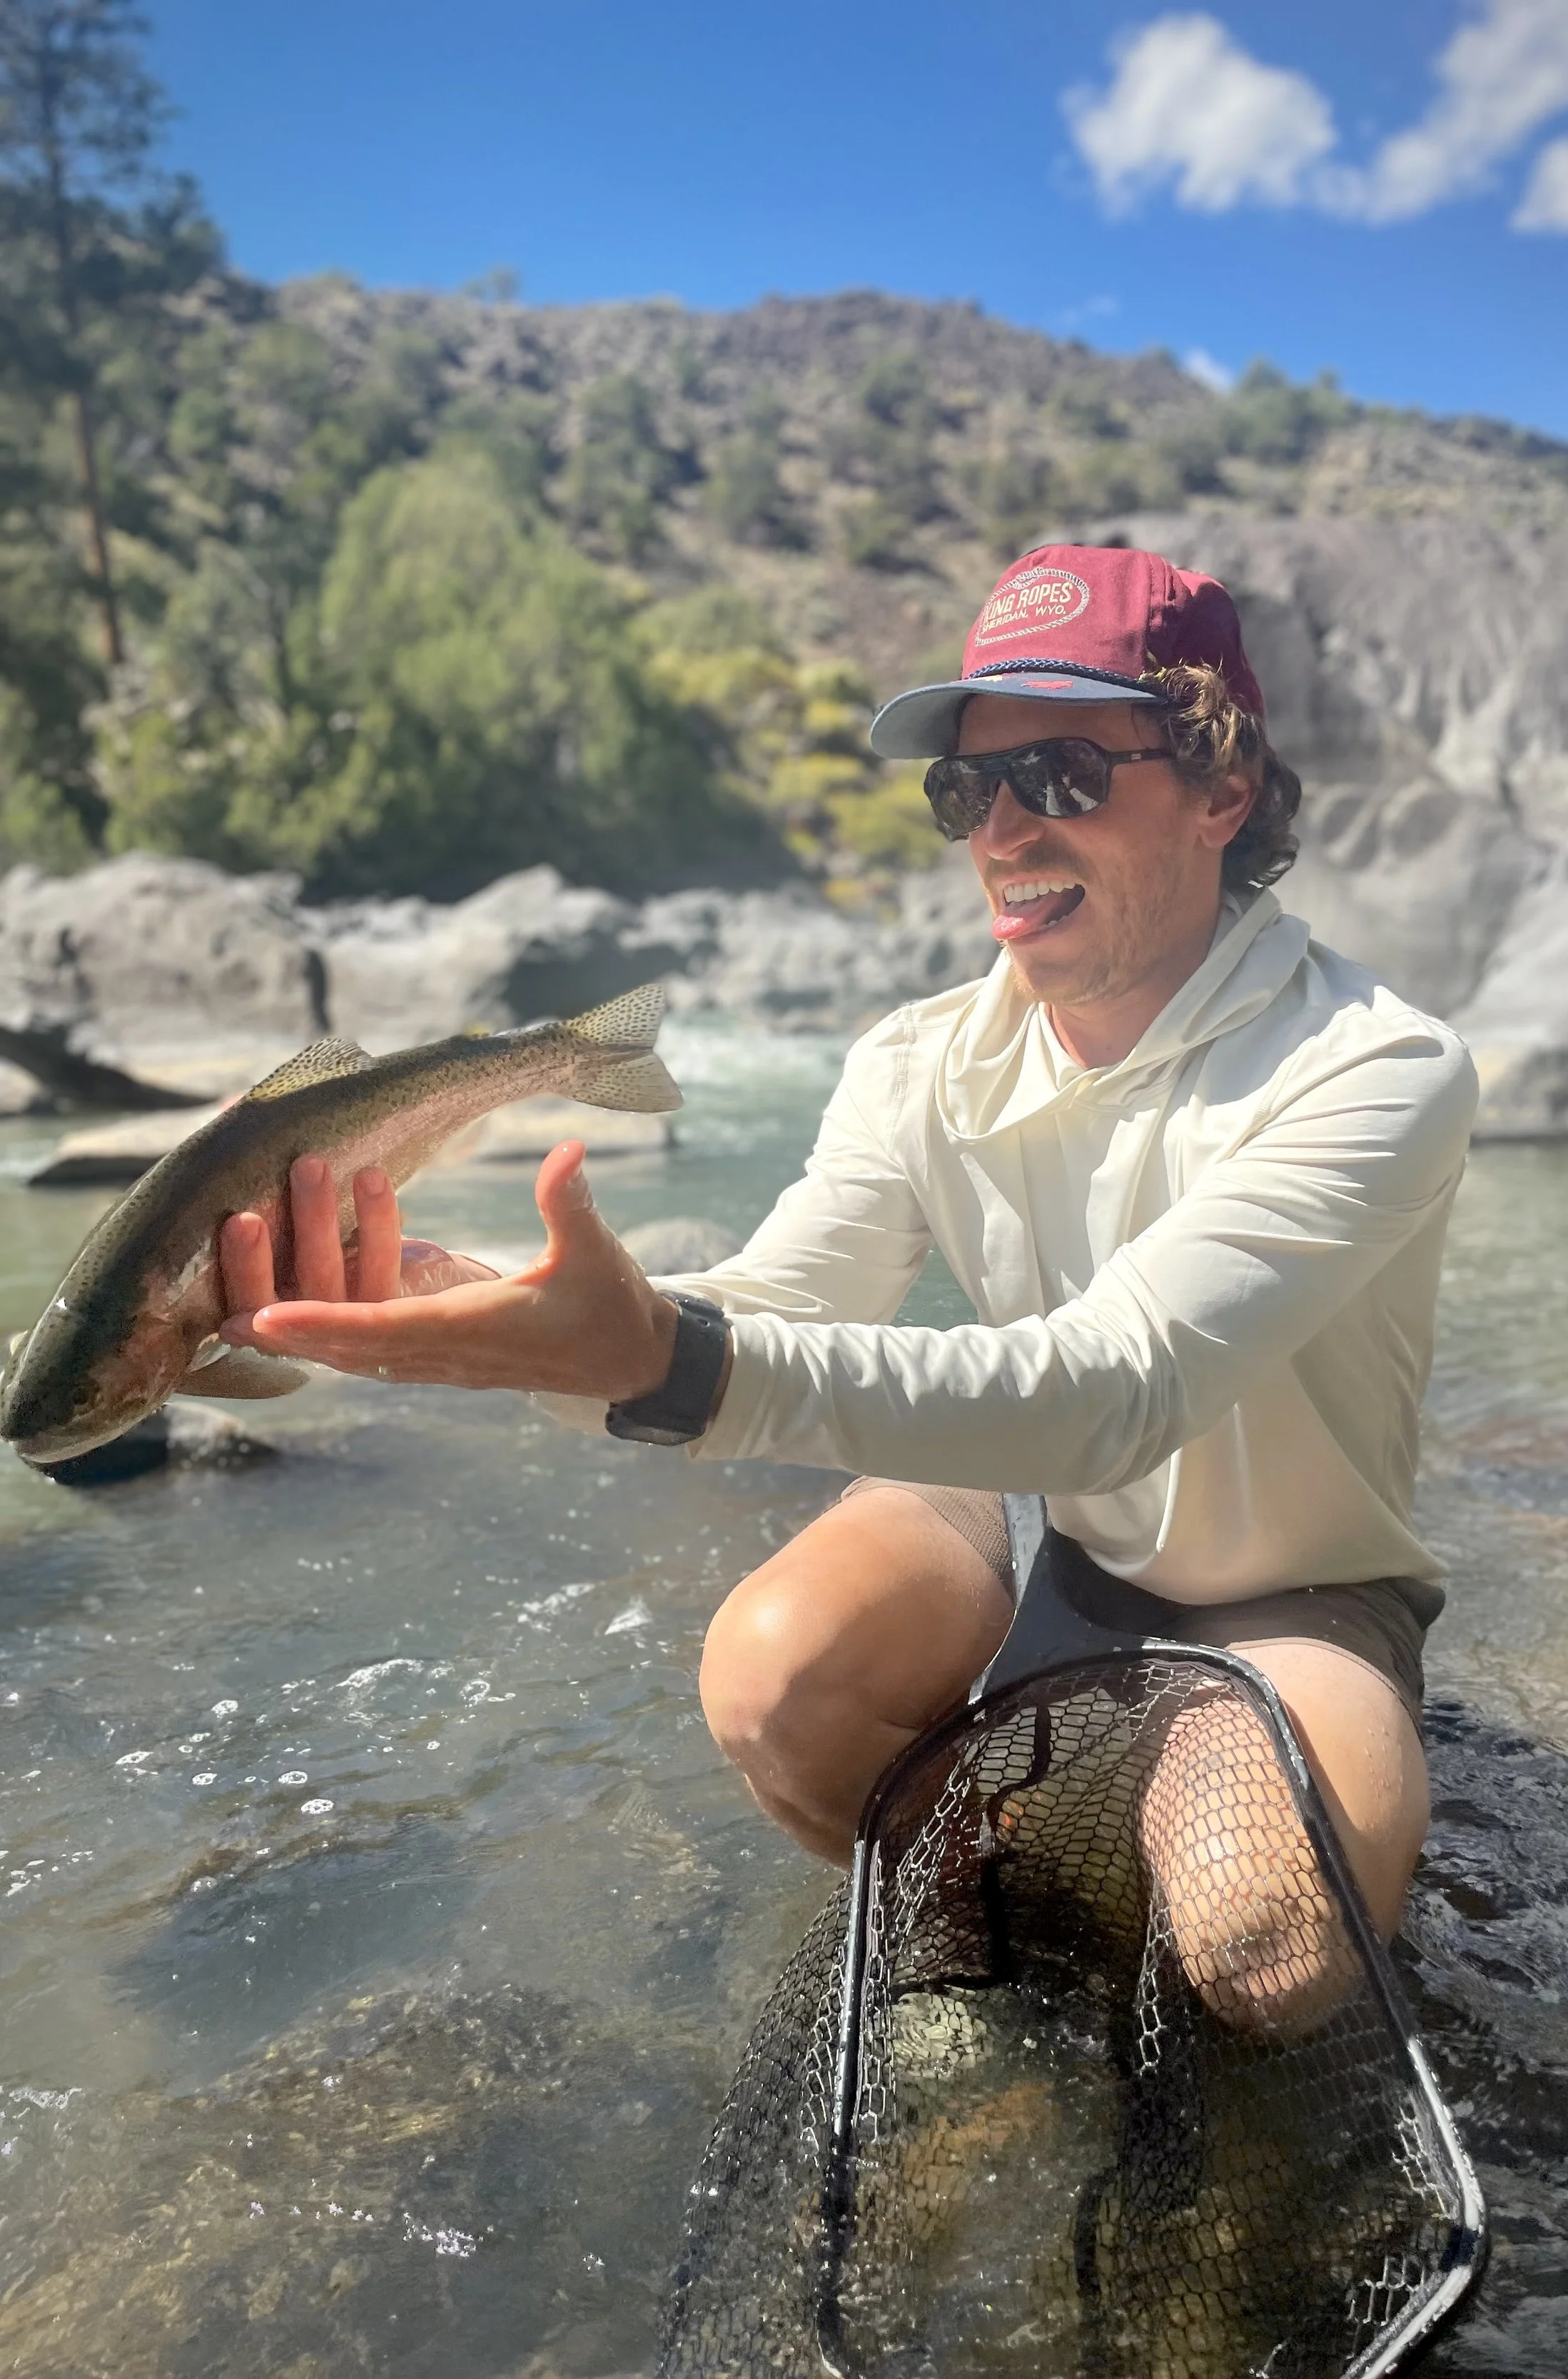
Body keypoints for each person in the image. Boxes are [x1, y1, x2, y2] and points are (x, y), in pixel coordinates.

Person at [218, 544, 1477, 2032]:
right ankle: (996, 1891)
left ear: (1221, 789)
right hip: (1033, 1520)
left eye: (1060, 772)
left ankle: (1149, 1850)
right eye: (964, 789)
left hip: (1292, 1590)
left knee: (1265, 1949)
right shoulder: (915, 1059)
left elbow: (1122, 1384)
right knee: (772, 1681)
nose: (999, 828)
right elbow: (783, 1303)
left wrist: (664, 1362)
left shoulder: (1377, 1067)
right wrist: (471, 1306)